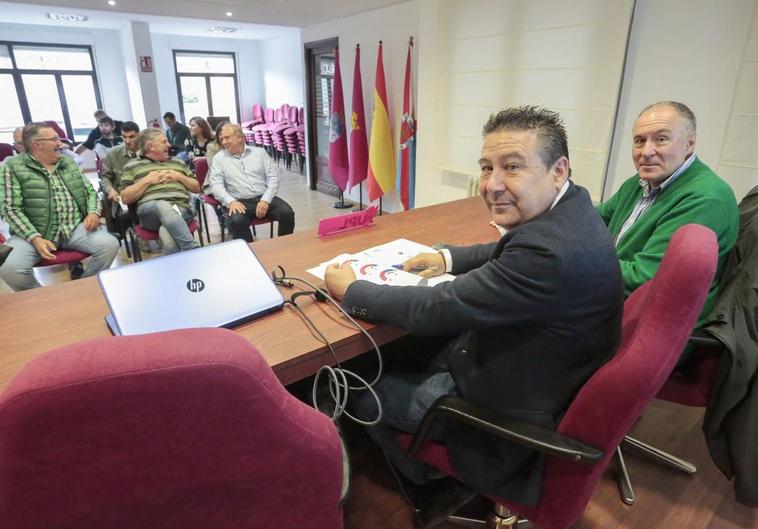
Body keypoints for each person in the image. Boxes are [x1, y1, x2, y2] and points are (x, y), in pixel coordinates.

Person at [324, 106, 624, 506]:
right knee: (397, 350)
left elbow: (438, 306)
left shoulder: (548, 254)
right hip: (533, 367)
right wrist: (449, 259)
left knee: (355, 385)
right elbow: (510, 248)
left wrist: (353, 291)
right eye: (486, 167)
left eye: (512, 167)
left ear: (558, 169)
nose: (492, 184)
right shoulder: (575, 211)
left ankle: (425, 477)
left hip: (502, 410)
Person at [597, 101, 738, 331]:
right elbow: (595, 219)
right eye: (639, 140)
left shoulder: (706, 198)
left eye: (661, 139)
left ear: (689, 143)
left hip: (644, 326)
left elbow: (644, 280)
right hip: (611, 303)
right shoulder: (641, 182)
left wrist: (576, 264)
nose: (646, 151)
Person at [0, 122, 119, 291]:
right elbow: (10, 209)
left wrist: (93, 212)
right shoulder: (11, 167)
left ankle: (84, 288)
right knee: (10, 267)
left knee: (109, 244)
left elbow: (90, 192)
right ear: (38, 145)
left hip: (73, 228)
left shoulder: (68, 162)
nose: (60, 143)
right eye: (55, 139)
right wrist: (35, 237)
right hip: (34, 233)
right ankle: (44, 298)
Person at [119, 128, 200, 255]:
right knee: (161, 205)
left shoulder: (177, 162)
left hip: (181, 210)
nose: (169, 145)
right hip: (149, 213)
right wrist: (146, 181)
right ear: (151, 146)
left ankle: (174, 273)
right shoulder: (132, 165)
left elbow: (197, 188)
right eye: (164, 142)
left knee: (169, 240)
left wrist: (180, 177)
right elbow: (125, 198)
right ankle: (193, 249)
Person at [209, 123, 295, 241]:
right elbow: (216, 185)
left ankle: (284, 245)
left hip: (262, 196)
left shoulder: (260, 153)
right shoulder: (219, 158)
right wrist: (231, 202)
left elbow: (273, 178)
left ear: (240, 138)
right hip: (239, 201)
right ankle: (250, 252)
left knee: (287, 213)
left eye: (227, 138)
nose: (223, 142)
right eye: (221, 139)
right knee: (237, 221)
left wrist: (265, 200)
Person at [100, 121, 140, 235]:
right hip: (123, 197)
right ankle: (138, 235)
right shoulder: (113, 154)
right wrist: (110, 190)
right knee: (126, 215)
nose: (127, 141)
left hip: (145, 194)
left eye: (132, 137)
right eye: (124, 137)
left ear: (139, 135)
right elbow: (105, 177)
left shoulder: (148, 150)